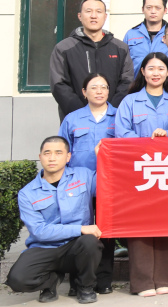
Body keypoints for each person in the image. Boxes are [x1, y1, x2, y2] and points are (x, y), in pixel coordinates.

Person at [114, 52, 168, 297]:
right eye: (151, 68)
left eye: (161, 68)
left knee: (166, 222)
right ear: (142, 72)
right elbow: (121, 133)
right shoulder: (130, 101)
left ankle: (164, 279)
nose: (156, 73)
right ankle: (142, 281)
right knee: (140, 223)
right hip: (138, 171)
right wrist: (146, 143)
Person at [6, 136, 102, 304]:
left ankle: (85, 286)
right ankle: (50, 281)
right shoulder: (27, 193)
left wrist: (104, 158)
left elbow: (109, 186)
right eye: (47, 153)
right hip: (44, 247)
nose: (52, 158)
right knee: (17, 280)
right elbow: (39, 231)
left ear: (68, 157)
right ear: (40, 156)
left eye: (58, 153)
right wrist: (80, 228)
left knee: (90, 242)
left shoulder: (84, 176)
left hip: (76, 246)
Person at [56, 73, 116, 295]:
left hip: (109, 184)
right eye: (94, 87)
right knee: (80, 232)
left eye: (104, 87)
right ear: (84, 92)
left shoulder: (119, 117)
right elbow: (62, 151)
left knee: (105, 232)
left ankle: (104, 280)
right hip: (78, 186)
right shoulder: (72, 119)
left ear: (109, 91)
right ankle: (77, 282)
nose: (99, 91)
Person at [51, 0, 133, 120]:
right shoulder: (64, 48)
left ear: (105, 16)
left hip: (112, 119)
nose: (93, 16)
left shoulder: (120, 48)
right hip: (76, 120)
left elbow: (127, 82)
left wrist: (110, 112)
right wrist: (81, 114)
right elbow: (59, 85)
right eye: (88, 11)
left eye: (98, 12)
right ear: (79, 16)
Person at [123, 0, 168, 76]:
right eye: (149, 8)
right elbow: (123, 64)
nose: (153, 11)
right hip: (136, 82)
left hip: (165, 82)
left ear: (165, 10)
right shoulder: (131, 34)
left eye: (158, 8)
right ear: (143, 9)